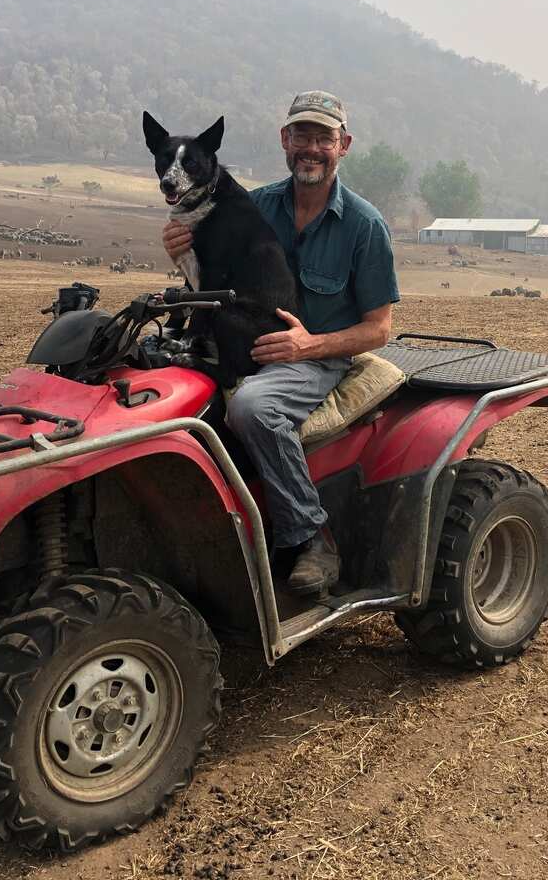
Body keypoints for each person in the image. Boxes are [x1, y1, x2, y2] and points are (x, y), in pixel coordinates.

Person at [161, 91, 398, 596]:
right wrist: (177, 247)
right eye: (302, 136)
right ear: (284, 141)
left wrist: (308, 346)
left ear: (344, 145)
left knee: (252, 408)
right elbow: (210, 270)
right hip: (240, 338)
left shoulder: (364, 225)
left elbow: (379, 329)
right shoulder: (252, 205)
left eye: (323, 138)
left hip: (315, 358)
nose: (311, 148)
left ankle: (312, 535)